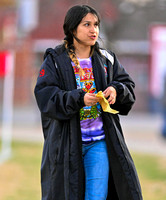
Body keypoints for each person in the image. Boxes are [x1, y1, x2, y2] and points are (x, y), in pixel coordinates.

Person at [34, 5, 143, 200]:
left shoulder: (106, 59)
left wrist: (116, 90)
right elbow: (46, 96)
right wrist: (79, 98)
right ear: (72, 29)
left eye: (96, 25)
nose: (94, 30)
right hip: (66, 146)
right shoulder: (55, 60)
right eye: (87, 24)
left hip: (99, 144)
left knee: (96, 197)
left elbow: (127, 86)